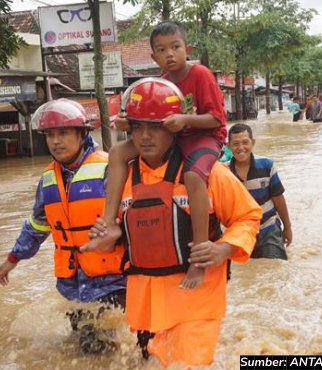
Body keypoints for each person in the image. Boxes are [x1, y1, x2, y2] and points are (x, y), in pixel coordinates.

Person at [85, 80, 261, 366]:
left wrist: (224, 250)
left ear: (174, 128)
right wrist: (109, 237)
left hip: (196, 299)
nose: (144, 137)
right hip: (146, 305)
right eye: (138, 128)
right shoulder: (122, 179)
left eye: (154, 128)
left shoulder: (208, 174)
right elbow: (126, 238)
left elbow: (248, 216)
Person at [83, 21, 227, 291]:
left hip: (203, 136)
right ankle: (111, 225)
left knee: (194, 175)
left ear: (188, 49)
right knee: (116, 152)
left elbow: (217, 119)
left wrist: (185, 119)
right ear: (153, 57)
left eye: (175, 47)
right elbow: (148, 119)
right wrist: (130, 123)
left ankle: (199, 254)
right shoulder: (159, 83)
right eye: (162, 50)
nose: (169, 54)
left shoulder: (201, 74)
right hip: (170, 136)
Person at [0, 99, 127, 354]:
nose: (56, 141)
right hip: (72, 281)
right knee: (80, 342)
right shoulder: (48, 179)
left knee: (94, 349)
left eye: (63, 133)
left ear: (82, 134)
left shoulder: (109, 168)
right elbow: (37, 225)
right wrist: (13, 258)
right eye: (50, 135)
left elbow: (132, 215)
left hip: (111, 279)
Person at [227, 123, 292, 259]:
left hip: (269, 228)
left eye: (245, 142)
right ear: (229, 146)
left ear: (253, 143)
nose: (241, 148)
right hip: (241, 234)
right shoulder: (224, 173)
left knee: (273, 267)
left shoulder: (267, 165)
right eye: (236, 144)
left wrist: (287, 227)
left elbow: (278, 198)